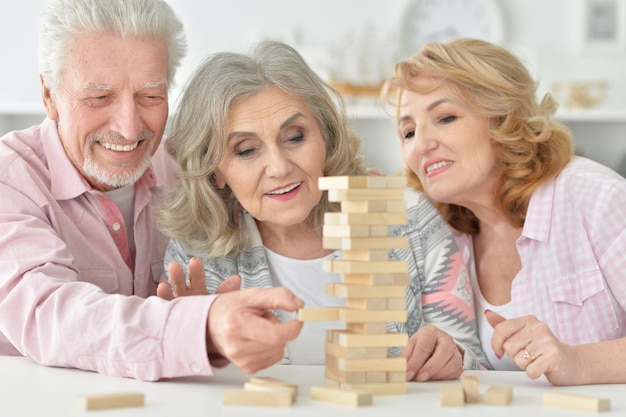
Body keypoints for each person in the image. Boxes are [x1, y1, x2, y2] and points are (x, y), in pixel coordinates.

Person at [0, 0, 304, 381]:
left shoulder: (188, 169)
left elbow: (278, 192)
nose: (129, 129)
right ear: (49, 96)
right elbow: (48, 313)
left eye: (151, 96)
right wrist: (197, 325)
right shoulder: (9, 181)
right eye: (99, 97)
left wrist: (351, 185)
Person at [155, 40, 489, 382]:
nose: (279, 168)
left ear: (326, 137)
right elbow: (179, 383)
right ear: (215, 172)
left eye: (295, 137)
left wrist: (452, 356)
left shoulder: (410, 220)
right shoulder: (195, 255)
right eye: (245, 150)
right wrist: (193, 341)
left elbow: (473, 363)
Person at [382, 37, 626, 385]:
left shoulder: (597, 199)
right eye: (408, 132)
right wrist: (452, 358)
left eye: (445, 117)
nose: (420, 144)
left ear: (504, 119)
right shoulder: (439, 238)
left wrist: (577, 360)